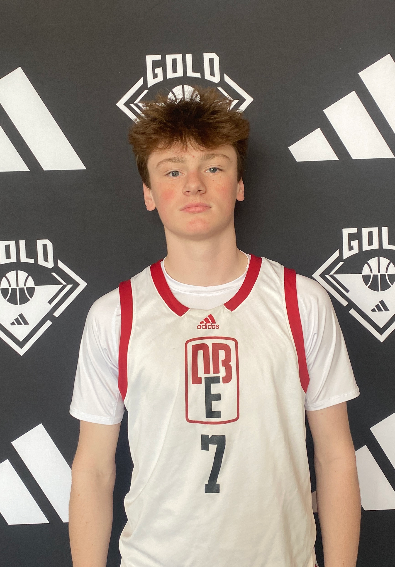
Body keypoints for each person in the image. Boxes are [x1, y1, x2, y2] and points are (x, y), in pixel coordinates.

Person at [69, 88, 361, 567]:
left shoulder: (300, 302)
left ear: (239, 184)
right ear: (148, 193)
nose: (193, 185)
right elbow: (94, 470)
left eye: (213, 167)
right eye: (172, 171)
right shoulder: (115, 315)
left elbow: (334, 456)